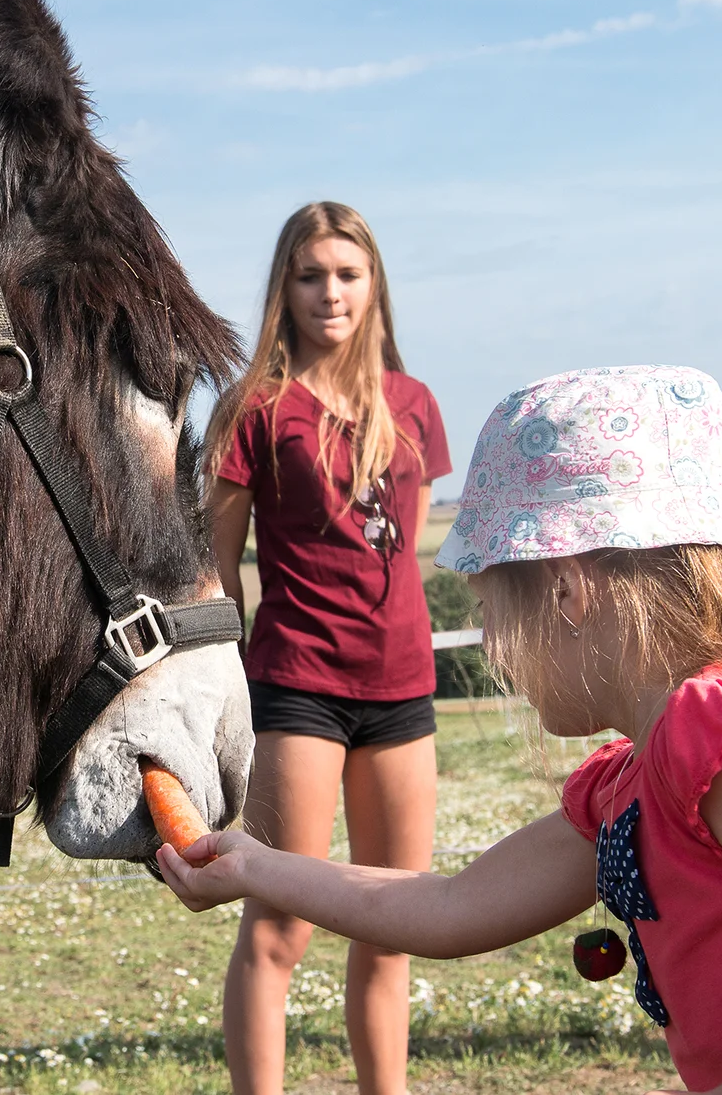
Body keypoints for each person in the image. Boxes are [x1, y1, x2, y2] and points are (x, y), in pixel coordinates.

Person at [169, 366, 722, 1095]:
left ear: (570, 591)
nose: (498, 648)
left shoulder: (719, 731)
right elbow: (447, 906)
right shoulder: (643, 777)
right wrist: (259, 867)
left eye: (494, 612)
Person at [203, 200, 451, 1095]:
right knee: (281, 928)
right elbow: (215, 569)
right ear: (285, 286)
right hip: (297, 684)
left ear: (374, 283)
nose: (330, 293)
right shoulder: (256, 407)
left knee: (394, 927)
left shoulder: (414, 402)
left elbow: (414, 542)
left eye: (347, 274)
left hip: (403, 689)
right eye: (311, 275)